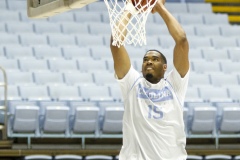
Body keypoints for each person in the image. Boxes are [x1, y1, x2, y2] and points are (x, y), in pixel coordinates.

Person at [109, 0, 190, 159]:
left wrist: (158, 6)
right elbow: (116, 44)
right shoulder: (132, 83)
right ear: (141, 67)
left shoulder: (175, 85)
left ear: (165, 67)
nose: (149, 61)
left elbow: (182, 41)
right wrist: (130, 9)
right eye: (146, 59)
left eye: (155, 59)